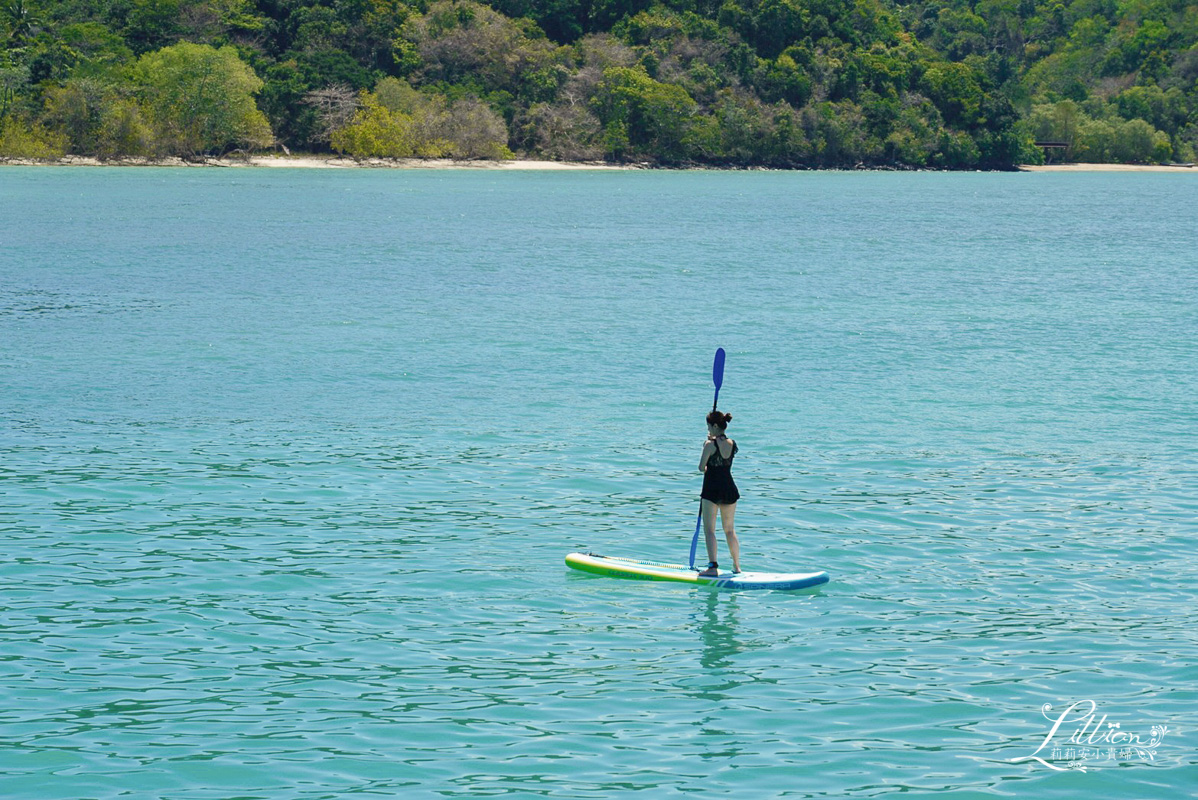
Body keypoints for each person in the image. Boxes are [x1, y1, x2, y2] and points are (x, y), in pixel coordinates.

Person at [698, 409, 740, 576]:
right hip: (729, 488)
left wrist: (706, 446)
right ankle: (737, 566)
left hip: (711, 489)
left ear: (715, 426)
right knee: (729, 530)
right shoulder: (732, 443)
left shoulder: (709, 445)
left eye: (709, 426)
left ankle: (713, 567)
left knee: (709, 530)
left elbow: (702, 468)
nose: (708, 430)